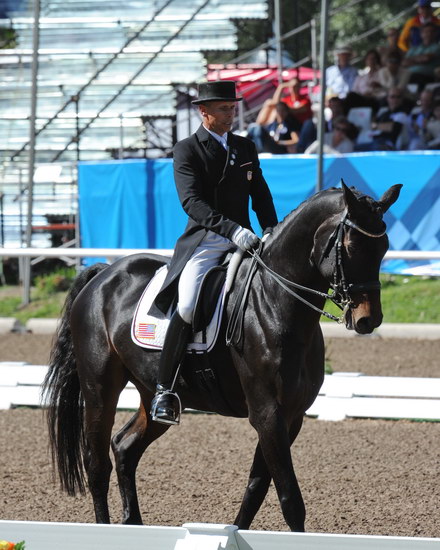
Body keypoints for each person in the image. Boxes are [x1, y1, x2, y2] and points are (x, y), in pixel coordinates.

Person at [149, 80, 278, 425]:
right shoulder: (187, 150)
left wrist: (270, 229)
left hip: (248, 237)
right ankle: (165, 389)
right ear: (203, 112)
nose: (231, 113)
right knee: (189, 303)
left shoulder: (245, 147)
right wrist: (233, 230)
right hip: (207, 240)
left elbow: (260, 194)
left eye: (233, 107)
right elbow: (192, 202)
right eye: (223, 108)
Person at [402, 22, 440, 92]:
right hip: (408, 76)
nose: (429, 34)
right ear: (421, 34)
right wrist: (419, 60)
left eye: (431, 32)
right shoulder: (413, 48)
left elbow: (426, 58)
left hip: (426, 77)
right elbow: (404, 63)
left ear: (435, 34)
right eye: (426, 32)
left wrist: (411, 60)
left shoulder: (437, 47)